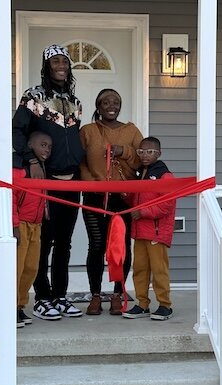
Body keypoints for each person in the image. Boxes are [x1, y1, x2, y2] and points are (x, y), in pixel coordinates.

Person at [12, 44, 84, 320]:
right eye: (55, 61)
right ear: (46, 66)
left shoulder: (75, 102)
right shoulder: (33, 96)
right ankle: (42, 297)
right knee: (44, 242)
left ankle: (60, 296)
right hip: (45, 181)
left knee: (65, 242)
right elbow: (17, 131)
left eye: (64, 61)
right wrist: (31, 160)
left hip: (72, 182)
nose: (61, 65)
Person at [79, 89, 142, 315]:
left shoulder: (131, 131)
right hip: (94, 196)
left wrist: (123, 150)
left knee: (121, 247)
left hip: (123, 198)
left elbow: (141, 159)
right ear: (98, 106)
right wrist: (91, 182)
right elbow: (80, 161)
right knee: (96, 245)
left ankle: (118, 293)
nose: (111, 105)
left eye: (115, 101)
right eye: (105, 102)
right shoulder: (87, 131)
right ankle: (95, 295)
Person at [122, 137, 176, 321]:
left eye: (150, 152)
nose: (145, 155)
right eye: (141, 151)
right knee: (140, 269)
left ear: (158, 153)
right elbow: (135, 200)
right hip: (139, 232)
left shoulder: (164, 175)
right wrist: (127, 195)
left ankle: (164, 305)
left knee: (159, 269)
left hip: (156, 232)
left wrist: (143, 212)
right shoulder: (139, 173)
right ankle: (142, 304)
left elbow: (167, 205)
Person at [13, 131, 52, 327]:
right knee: (16, 268)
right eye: (43, 145)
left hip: (36, 225)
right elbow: (10, 197)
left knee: (31, 268)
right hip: (21, 224)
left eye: (49, 147)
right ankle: (9, 308)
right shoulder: (19, 167)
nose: (47, 149)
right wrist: (14, 225)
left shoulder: (43, 168)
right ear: (29, 145)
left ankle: (20, 307)